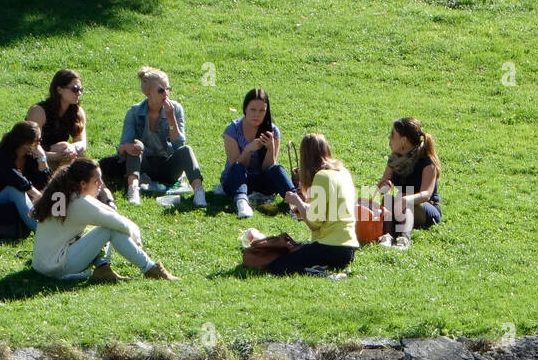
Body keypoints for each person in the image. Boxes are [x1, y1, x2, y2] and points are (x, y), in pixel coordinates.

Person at [31, 158, 177, 282]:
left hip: (43, 264)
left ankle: (103, 268)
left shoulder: (66, 193)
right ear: (82, 184)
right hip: (55, 268)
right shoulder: (79, 203)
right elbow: (116, 222)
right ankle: (150, 268)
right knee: (108, 229)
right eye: (96, 180)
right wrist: (136, 238)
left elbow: (108, 212)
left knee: (97, 228)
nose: (101, 184)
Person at [270, 133, 359, 275]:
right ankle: (319, 267)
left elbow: (314, 223)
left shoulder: (321, 176)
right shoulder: (343, 172)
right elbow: (328, 212)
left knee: (278, 264)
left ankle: (316, 273)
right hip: (348, 249)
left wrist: (297, 202)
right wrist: (304, 207)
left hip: (330, 247)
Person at [118, 66, 206, 207]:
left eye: (168, 89)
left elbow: (179, 145)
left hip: (167, 165)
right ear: (148, 93)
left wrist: (171, 118)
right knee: (136, 146)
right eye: (161, 90)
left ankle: (199, 192)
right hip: (144, 165)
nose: (166, 94)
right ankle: (133, 189)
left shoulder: (175, 109)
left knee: (187, 150)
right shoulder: (134, 112)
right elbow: (122, 148)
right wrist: (127, 147)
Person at [221, 88, 296, 219]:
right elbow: (235, 167)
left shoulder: (272, 131)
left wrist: (271, 148)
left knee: (277, 169)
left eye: (262, 111)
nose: (257, 115)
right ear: (245, 109)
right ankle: (242, 202)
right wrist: (248, 149)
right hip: (236, 181)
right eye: (253, 110)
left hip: (260, 180)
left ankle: (296, 203)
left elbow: (268, 168)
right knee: (237, 167)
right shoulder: (232, 130)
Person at [372, 117, 441, 249]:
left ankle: (404, 239)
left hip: (426, 209)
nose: (389, 137)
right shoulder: (394, 159)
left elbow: (426, 194)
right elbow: (382, 189)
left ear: (403, 140)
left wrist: (405, 199)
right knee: (387, 199)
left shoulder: (427, 162)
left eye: (393, 135)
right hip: (401, 205)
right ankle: (387, 236)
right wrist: (384, 185)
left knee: (404, 201)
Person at [0, 120, 50, 233]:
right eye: (38, 140)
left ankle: (57, 225)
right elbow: (20, 183)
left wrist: (42, 159)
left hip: (24, 200)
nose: (39, 144)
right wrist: (43, 198)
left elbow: (46, 182)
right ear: (25, 143)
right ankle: (43, 231)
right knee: (14, 190)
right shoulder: (2, 157)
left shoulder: (30, 156)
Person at [26, 69, 89, 172]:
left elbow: (82, 143)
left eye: (80, 89)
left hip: (62, 156)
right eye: (75, 89)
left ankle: (63, 184)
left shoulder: (77, 112)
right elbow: (30, 149)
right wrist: (55, 154)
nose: (79, 93)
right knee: (66, 152)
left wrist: (71, 148)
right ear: (59, 89)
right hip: (38, 159)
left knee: (72, 155)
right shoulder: (39, 111)